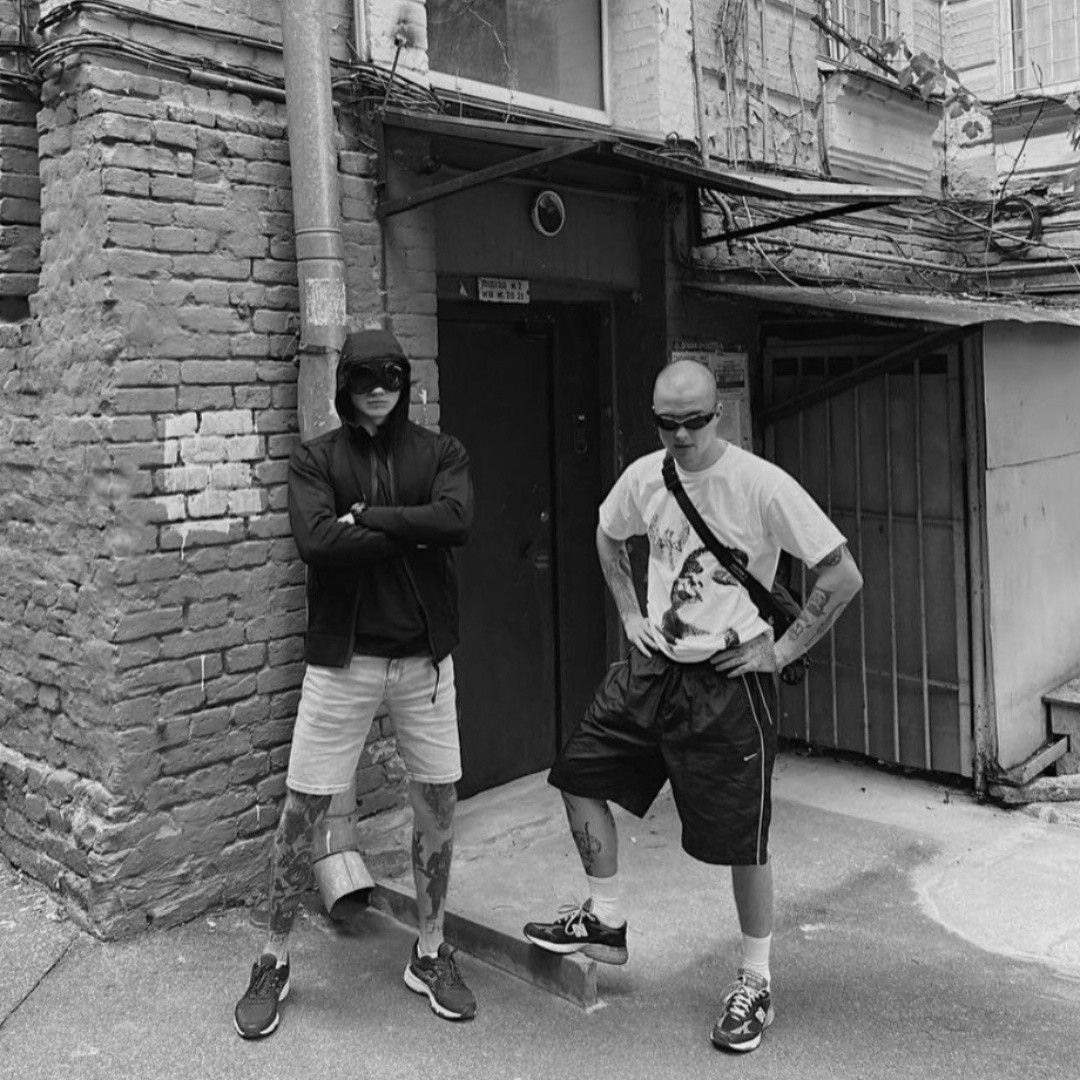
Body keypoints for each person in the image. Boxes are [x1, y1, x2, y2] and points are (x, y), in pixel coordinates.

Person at [522, 359, 862, 1053]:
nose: (680, 436)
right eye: (666, 423)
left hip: (729, 682)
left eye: (694, 422)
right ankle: (605, 918)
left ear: (718, 415)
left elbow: (842, 573)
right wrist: (628, 612)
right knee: (578, 774)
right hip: (653, 669)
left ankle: (755, 980)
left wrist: (782, 651)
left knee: (743, 838)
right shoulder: (646, 476)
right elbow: (607, 533)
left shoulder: (760, 485)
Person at [234, 329, 476, 1038]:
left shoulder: (441, 452)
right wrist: (414, 529)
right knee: (303, 808)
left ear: (405, 380)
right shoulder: (316, 459)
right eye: (364, 377)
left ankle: (429, 950)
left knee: (438, 805)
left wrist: (367, 519)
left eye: (390, 376)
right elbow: (316, 542)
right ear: (344, 383)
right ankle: (273, 958)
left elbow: (457, 521)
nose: (377, 389)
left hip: (425, 662)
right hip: (344, 662)